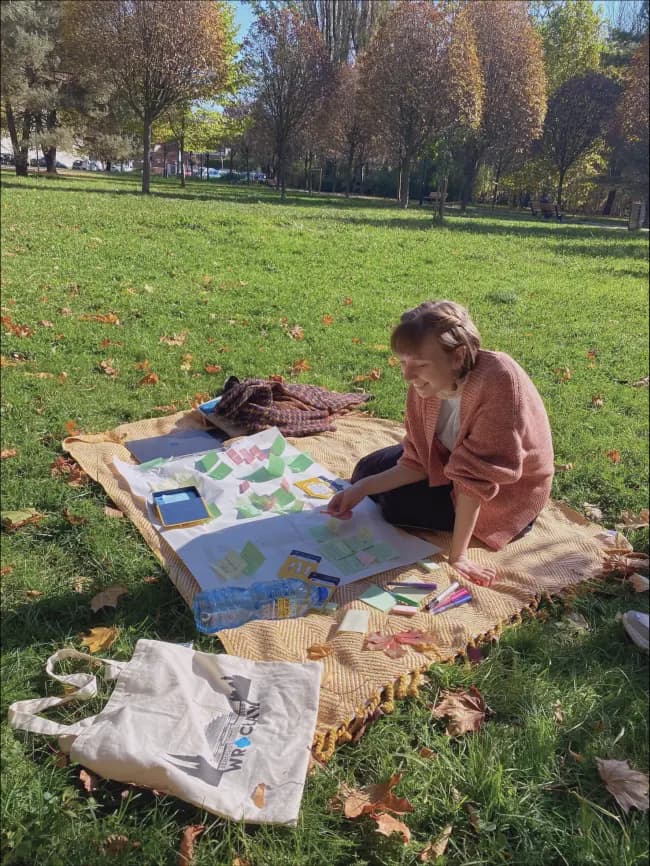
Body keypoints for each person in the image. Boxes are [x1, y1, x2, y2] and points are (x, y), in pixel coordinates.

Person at [327, 300, 555, 585]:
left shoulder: (499, 381)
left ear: (458, 357)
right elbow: (418, 461)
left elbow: (474, 481)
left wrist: (457, 556)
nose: (408, 376)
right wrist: (361, 488)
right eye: (403, 362)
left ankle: (484, 525)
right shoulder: (426, 384)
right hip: (450, 460)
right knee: (364, 472)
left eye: (420, 365)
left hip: (501, 492)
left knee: (395, 507)